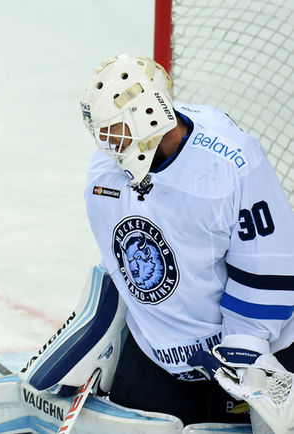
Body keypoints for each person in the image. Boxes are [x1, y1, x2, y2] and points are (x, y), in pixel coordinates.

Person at [79, 53, 294, 427]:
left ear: (149, 116)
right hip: (160, 353)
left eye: (115, 129)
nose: (108, 143)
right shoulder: (104, 173)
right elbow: (119, 265)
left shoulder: (232, 164)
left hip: (250, 353)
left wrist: (244, 345)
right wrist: (96, 329)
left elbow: (269, 263)